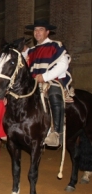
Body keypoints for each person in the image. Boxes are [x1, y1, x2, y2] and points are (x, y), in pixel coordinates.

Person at [24, 19, 72, 147]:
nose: (37, 32)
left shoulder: (56, 45)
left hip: (52, 81)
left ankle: (56, 133)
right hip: (33, 83)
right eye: (35, 30)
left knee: (54, 95)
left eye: (40, 29)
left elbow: (63, 65)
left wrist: (45, 77)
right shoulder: (31, 51)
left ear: (47, 32)